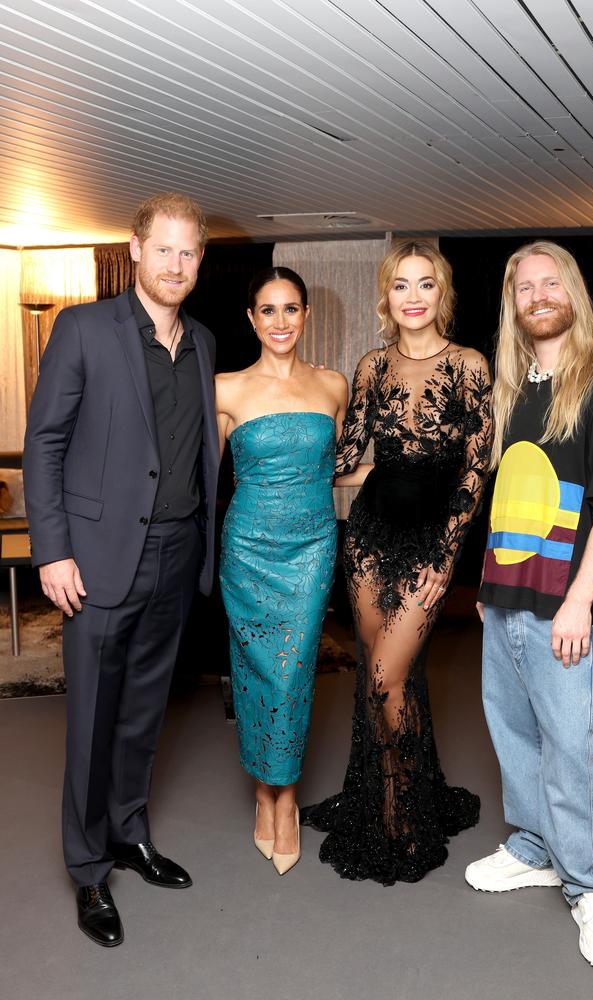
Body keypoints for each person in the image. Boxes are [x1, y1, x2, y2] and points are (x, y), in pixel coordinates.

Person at [23, 192, 219, 947]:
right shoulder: (83, 329)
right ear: (134, 249)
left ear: (200, 259)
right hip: (97, 563)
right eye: (163, 248)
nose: (176, 263)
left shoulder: (201, 340)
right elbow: (45, 442)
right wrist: (52, 549)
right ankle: (87, 869)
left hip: (174, 555)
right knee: (92, 721)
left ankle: (130, 833)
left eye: (189, 251)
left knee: (144, 714)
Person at [465, 241, 593, 969]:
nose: (537, 295)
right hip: (506, 595)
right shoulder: (515, 389)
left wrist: (578, 601)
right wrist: (486, 584)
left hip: (567, 606)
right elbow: (514, 495)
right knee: (514, 733)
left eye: (549, 283)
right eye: (523, 287)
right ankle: (537, 847)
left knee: (572, 745)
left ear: (571, 291)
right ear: (513, 304)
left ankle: (592, 886)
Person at [302, 239, 493, 884]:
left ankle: (402, 811)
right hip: (369, 536)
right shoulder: (371, 367)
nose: (413, 297)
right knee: (385, 679)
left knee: (386, 676)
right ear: (385, 296)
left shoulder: (470, 366)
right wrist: (292, 444)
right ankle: (387, 796)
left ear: (443, 293)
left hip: (429, 546)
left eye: (426, 284)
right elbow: (352, 455)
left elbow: (474, 472)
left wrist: (447, 557)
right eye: (401, 285)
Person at [216, 266, 350, 875]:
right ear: (251, 318)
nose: (280, 322)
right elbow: (201, 476)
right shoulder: (224, 390)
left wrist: (404, 476)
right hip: (247, 548)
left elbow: (334, 468)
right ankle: (262, 791)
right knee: (254, 670)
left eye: (291, 309)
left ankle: (285, 798)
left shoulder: (332, 386)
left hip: (313, 545)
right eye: (267, 310)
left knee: (293, 670)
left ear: (306, 315)